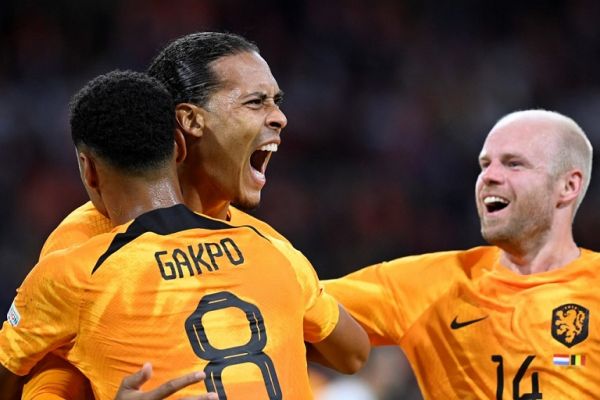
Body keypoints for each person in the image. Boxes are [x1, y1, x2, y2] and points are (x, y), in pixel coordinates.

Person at [16, 32, 369, 400]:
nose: (280, 117)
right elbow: (47, 384)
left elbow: (350, 352)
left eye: (277, 102)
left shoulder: (267, 241)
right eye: (256, 102)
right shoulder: (83, 240)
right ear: (189, 121)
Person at [325, 109, 600, 398]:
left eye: (514, 164)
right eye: (485, 165)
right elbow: (295, 304)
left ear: (568, 186)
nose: (489, 177)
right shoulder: (430, 286)